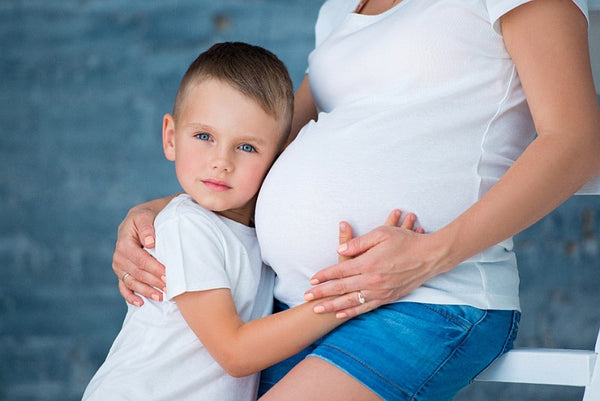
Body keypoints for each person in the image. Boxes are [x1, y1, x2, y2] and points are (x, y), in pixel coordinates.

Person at [112, 1, 600, 400]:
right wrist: (159, 211)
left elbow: (577, 142)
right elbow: (262, 146)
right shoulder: (341, 9)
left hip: (429, 297)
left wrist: (427, 256)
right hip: (296, 309)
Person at [84, 41, 418, 401]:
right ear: (170, 137)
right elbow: (236, 353)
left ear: (279, 158)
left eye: (246, 147)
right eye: (203, 136)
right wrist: (349, 294)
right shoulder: (186, 227)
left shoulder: (258, 234)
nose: (221, 161)